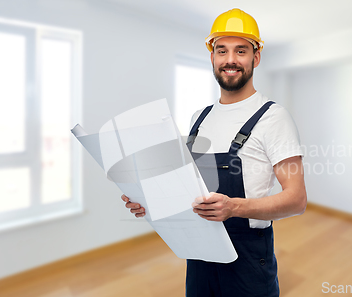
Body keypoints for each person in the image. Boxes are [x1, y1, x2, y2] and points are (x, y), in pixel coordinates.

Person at [122, 8, 307, 297]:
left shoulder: (274, 117)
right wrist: (150, 204)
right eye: (222, 50)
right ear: (212, 57)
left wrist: (234, 207)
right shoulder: (199, 117)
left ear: (255, 58)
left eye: (241, 51)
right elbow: (188, 189)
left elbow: (297, 199)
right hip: (199, 255)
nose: (230, 60)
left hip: (248, 260)